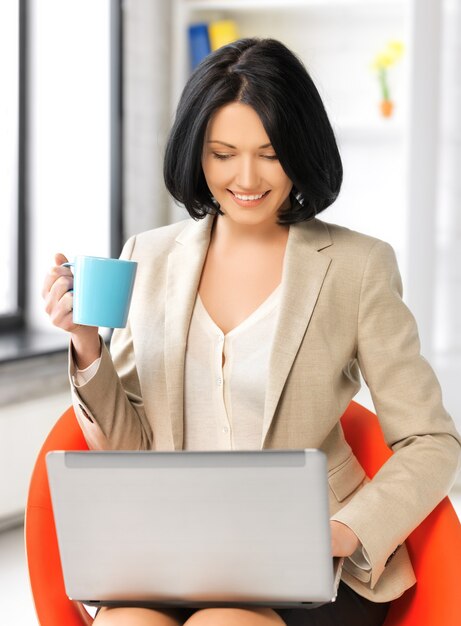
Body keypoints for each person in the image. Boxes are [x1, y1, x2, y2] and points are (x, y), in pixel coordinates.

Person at [42, 38, 461, 626]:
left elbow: (432, 441)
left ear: (300, 150)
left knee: (226, 621)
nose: (246, 178)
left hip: (309, 563)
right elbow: (130, 452)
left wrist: (341, 533)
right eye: (222, 153)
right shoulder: (151, 257)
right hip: (172, 551)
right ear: (197, 155)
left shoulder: (358, 266)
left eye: (269, 153)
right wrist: (88, 344)